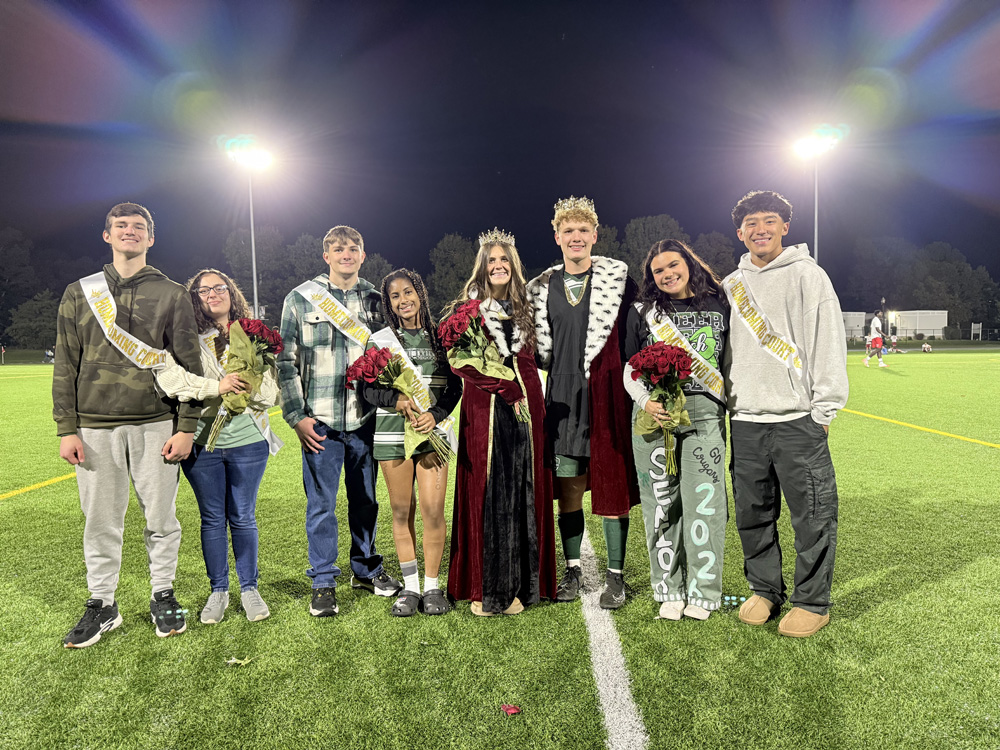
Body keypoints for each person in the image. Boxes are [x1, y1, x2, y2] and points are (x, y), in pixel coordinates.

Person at [54, 202, 203, 647]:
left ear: (150, 238)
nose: (130, 232)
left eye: (139, 227)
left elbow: (189, 364)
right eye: (121, 226)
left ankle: (163, 594)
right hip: (94, 427)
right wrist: (66, 428)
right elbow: (65, 363)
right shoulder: (79, 292)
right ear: (107, 235)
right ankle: (103, 603)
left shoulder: (172, 293)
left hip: (156, 422)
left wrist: (187, 427)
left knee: (161, 518)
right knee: (100, 521)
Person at [724, 190, 848, 637]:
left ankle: (812, 601)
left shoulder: (808, 275)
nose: (760, 229)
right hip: (746, 420)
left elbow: (828, 340)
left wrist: (823, 410)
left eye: (769, 221)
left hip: (797, 418)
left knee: (812, 513)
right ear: (741, 233)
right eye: (751, 223)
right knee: (752, 513)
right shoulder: (731, 285)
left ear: (785, 227)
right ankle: (765, 590)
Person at [276, 225, 401, 617]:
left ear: (363, 255)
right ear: (326, 256)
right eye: (338, 248)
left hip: (365, 418)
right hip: (320, 422)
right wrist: (296, 416)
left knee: (366, 501)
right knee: (321, 506)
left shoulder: (377, 300)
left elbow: (392, 355)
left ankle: (366, 570)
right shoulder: (300, 298)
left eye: (353, 248)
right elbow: (285, 361)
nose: (346, 254)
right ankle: (323, 580)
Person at [527, 196, 640, 610]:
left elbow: (637, 334)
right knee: (569, 487)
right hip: (562, 398)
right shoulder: (540, 287)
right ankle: (573, 569)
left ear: (595, 235)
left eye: (583, 230)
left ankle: (615, 575)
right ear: (557, 236)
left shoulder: (618, 281)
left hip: (608, 396)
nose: (576, 237)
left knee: (611, 484)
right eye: (568, 231)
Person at [154, 269, 282, 624]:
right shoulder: (184, 337)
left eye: (220, 287)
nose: (213, 293)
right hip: (201, 441)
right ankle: (219, 591)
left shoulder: (253, 335)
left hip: (249, 441)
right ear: (193, 298)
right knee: (212, 519)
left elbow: (271, 392)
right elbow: (170, 379)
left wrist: (249, 388)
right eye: (203, 289)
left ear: (231, 292)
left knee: (243, 516)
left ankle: (250, 589)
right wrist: (218, 387)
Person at [446, 229, 557, 616]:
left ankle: (523, 585)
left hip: (529, 406)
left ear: (513, 265)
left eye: (504, 259)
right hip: (486, 407)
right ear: (482, 267)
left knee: (524, 488)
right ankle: (487, 589)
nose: (498, 265)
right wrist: (502, 386)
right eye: (491, 260)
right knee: (490, 490)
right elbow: (460, 362)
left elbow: (542, 356)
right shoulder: (469, 310)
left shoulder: (528, 307)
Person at [623, 240, 729, 621]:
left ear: (689, 263)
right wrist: (646, 402)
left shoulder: (719, 304)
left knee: (704, 504)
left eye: (673, 265)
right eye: (658, 271)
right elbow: (629, 368)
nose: (667, 274)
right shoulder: (642, 312)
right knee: (661, 505)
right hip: (655, 417)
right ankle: (669, 589)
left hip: (705, 415)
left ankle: (704, 592)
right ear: (651, 277)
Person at [358, 268, 462, 616]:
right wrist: (396, 400)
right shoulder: (380, 341)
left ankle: (432, 586)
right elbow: (368, 390)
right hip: (393, 434)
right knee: (402, 511)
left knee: (433, 510)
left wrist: (437, 413)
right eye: (395, 296)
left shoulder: (440, 338)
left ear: (420, 293)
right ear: (388, 304)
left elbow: (454, 387)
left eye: (408, 292)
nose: (403, 300)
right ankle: (411, 587)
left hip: (432, 435)